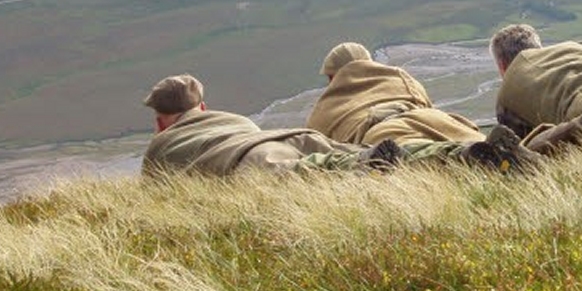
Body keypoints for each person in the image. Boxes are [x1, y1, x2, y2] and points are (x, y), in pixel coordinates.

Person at [307, 42, 540, 171]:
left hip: (382, 132)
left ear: (331, 76)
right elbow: (423, 100)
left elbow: (324, 150)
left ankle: (470, 158)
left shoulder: (325, 106)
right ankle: (547, 147)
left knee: (422, 158)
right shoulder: (398, 75)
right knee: (478, 142)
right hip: (435, 118)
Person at [141, 74, 404, 178]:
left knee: (300, 174)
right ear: (202, 107)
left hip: (249, 159)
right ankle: (436, 154)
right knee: (346, 152)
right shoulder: (236, 119)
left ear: (159, 121)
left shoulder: (161, 144)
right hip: (291, 138)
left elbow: (155, 192)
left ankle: (363, 175)